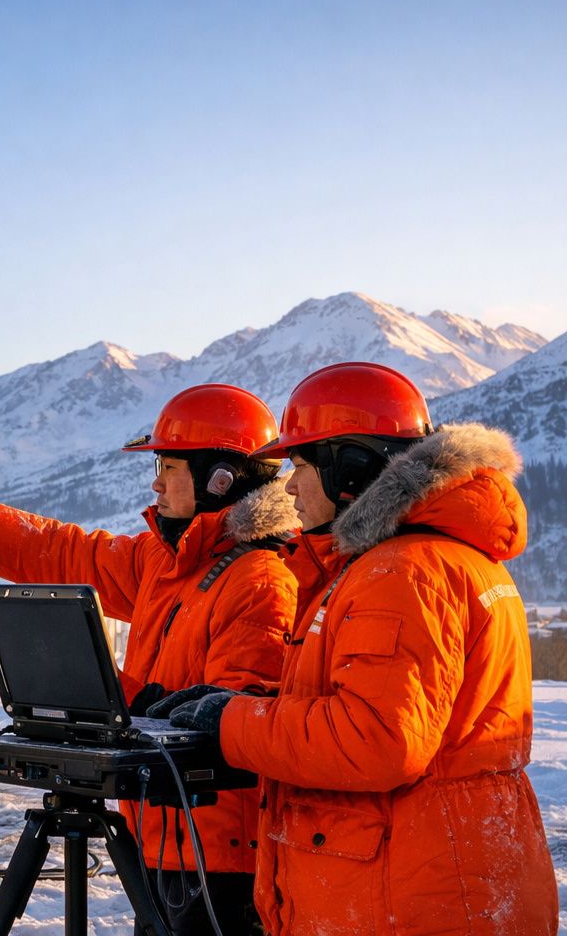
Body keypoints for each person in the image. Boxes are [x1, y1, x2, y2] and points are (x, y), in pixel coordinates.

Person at [150, 362, 558, 935]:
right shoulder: (423, 559)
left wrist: (231, 722)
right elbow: (370, 703)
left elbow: (377, 739)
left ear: (351, 468)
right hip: (440, 875)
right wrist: (249, 703)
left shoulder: (402, 572)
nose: (287, 486)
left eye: (299, 465)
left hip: (410, 898)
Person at [0, 383, 298, 936]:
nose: (155, 481)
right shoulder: (166, 560)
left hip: (217, 851)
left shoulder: (260, 580)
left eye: (169, 465)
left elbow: (232, 720)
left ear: (218, 476)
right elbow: (70, 551)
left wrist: (116, 696)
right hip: (157, 833)